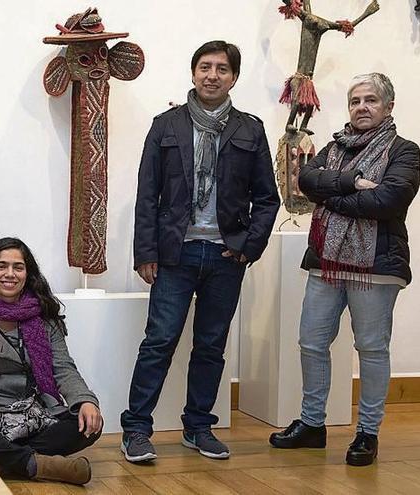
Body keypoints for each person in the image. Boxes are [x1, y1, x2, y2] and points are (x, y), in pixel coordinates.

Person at [121, 40, 279, 462]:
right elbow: (147, 195)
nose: (212, 75)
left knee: (211, 344)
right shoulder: (166, 125)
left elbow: (267, 198)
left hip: (226, 256)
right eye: (205, 67)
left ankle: (197, 426)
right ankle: (136, 429)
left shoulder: (250, 129)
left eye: (222, 69)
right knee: (159, 341)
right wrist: (145, 253)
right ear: (193, 73)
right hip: (176, 253)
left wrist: (249, 247)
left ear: (234, 77)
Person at [269, 73, 420, 467]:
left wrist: (331, 197)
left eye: (371, 100)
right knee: (311, 342)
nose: (362, 107)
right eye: (355, 101)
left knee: (370, 349)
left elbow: (387, 201)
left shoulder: (404, 151)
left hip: (377, 267)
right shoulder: (335, 147)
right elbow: (305, 179)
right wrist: (352, 182)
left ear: (388, 106)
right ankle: (312, 425)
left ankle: (367, 433)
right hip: (326, 263)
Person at [0, 237, 103, 485]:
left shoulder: (45, 318)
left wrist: (86, 401)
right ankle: (34, 463)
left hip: (33, 416)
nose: (10, 274)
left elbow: (64, 369)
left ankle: (0, 459)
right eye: (1, 266)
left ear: (28, 273)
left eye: (18, 267)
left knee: (90, 423)